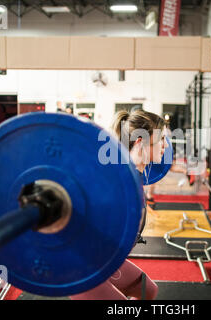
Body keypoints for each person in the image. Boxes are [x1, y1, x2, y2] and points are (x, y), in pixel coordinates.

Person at [70, 109, 166, 300]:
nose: (165, 146)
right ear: (141, 143)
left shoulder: (134, 175)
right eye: (161, 139)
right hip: (81, 265)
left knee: (147, 291)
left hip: (105, 259)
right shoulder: (118, 181)